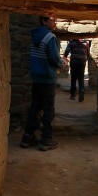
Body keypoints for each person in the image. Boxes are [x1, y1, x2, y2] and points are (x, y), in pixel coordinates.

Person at [20, 16, 66, 151]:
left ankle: (28, 137)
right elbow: (53, 58)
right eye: (52, 19)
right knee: (48, 109)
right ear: (44, 21)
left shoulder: (35, 36)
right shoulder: (50, 37)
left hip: (36, 77)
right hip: (47, 78)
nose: (55, 22)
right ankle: (46, 139)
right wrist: (60, 64)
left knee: (35, 106)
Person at [63, 38, 89, 102]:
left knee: (73, 78)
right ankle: (81, 90)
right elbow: (88, 54)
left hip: (74, 62)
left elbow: (67, 51)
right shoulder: (85, 43)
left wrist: (64, 59)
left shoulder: (72, 42)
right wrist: (85, 60)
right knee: (81, 78)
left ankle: (73, 95)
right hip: (82, 62)